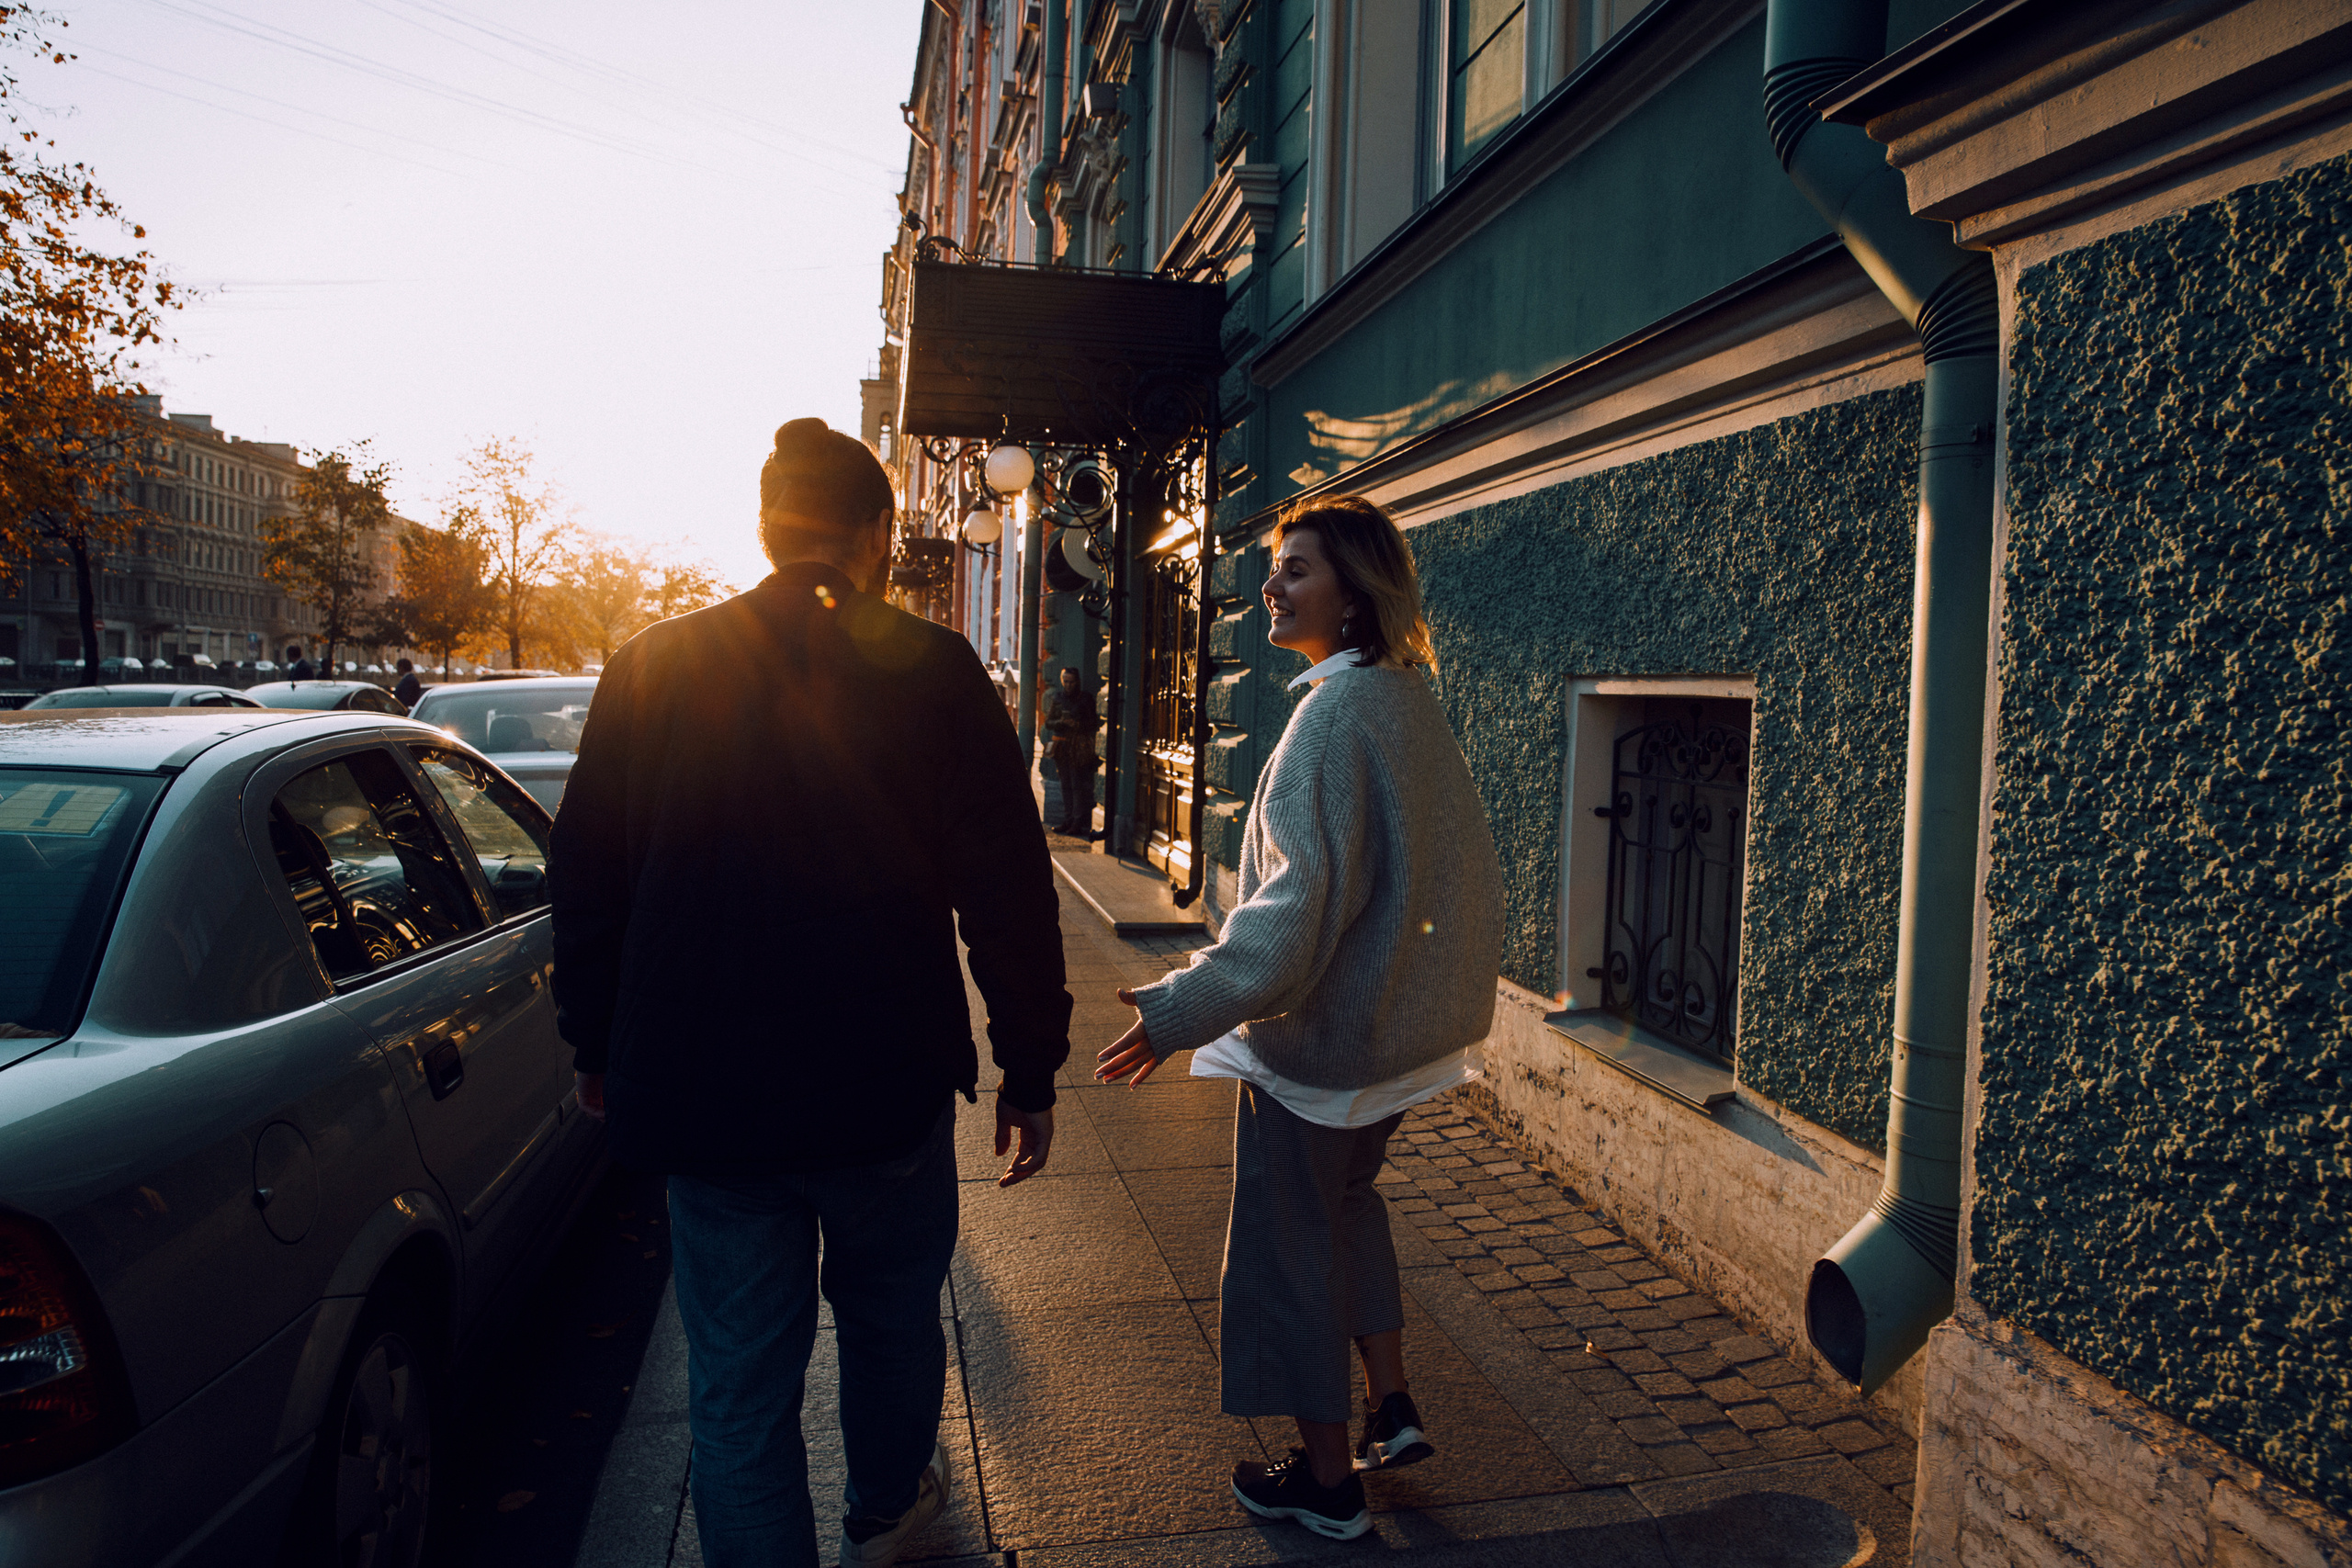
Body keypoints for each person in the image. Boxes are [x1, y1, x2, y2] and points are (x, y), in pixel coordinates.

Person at [549, 417, 1071, 1568]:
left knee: (737, 1384)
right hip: (878, 1087)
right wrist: (1030, 1067)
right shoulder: (935, 673)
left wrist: (596, 1045)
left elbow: (587, 881)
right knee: (891, 1327)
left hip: (708, 1094)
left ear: (765, 529)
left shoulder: (656, 663)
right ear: (879, 534)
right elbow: (1007, 890)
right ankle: (887, 1515)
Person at [1095, 494, 1505, 1542]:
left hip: (1323, 1049)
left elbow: (1292, 913)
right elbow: (1459, 874)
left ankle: (1327, 1483)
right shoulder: (1402, 697)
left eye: (1297, 570)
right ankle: (1393, 1404)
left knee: (1289, 1252)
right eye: (1275, 569)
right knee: (1348, 1210)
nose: (1271, 587)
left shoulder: (1333, 716)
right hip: (1392, 1044)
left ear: (1355, 593)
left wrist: (1181, 1007)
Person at [1042, 666, 1097, 836]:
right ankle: (1068, 819)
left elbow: (1093, 723)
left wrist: (1077, 724)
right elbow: (1049, 723)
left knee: (1077, 785)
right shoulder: (1058, 698)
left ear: (1077, 682)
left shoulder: (1085, 699)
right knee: (1065, 784)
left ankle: (1077, 822)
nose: (1068, 685)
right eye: (1065, 681)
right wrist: (1062, 722)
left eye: (1071, 682)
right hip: (1061, 747)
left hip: (1079, 747)